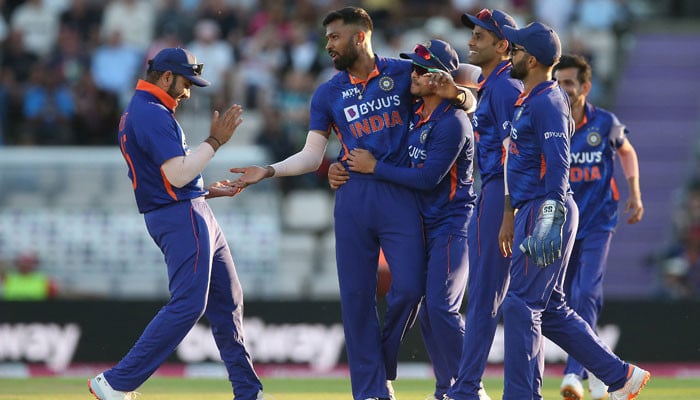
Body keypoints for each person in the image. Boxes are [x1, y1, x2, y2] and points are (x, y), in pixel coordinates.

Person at [229, 7, 474, 400]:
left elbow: (462, 100)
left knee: (410, 289)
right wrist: (270, 171)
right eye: (327, 38)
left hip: (398, 193)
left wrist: (460, 95)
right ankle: (371, 391)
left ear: (360, 37)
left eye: (335, 37)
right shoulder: (327, 92)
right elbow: (312, 155)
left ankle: (385, 363)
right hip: (352, 195)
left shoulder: (403, 73)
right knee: (357, 300)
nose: (328, 45)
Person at [87, 47, 267, 400]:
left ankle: (248, 392)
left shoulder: (144, 109)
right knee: (188, 304)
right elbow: (178, 174)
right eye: (186, 83)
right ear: (166, 76)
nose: (187, 93)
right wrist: (215, 141)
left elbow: (166, 178)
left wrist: (204, 191)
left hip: (187, 208)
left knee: (228, 301)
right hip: (180, 215)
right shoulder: (151, 113)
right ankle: (116, 383)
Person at [498, 22, 649, 399]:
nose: (510, 56)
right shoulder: (533, 98)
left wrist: (549, 216)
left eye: (516, 51)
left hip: (545, 207)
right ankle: (620, 375)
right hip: (536, 206)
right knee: (549, 308)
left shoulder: (547, 101)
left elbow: (559, 163)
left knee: (519, 304)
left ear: (532, 59)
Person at [335, 39, 476, 400]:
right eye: (413, 68)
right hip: (420, 222)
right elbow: (377, 137)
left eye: (422, 70)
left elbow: (428, 179)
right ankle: (445, 388)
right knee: (423, 306)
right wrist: (340, 164)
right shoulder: (414, 112)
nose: (412, 75)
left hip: (451, 224)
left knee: (440, 306)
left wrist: (374, 168)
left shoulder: (452, 123)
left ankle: (469, 386)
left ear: (440, 79)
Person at [553, 54, 644, 400]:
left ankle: (574, 373)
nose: (563, 89)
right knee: (561, 300)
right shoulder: (550, 121)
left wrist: (635, 192)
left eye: (569, 83)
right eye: (557, 82)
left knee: (585, 293)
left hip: (598, 222)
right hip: (562, 226)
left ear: (585, 87)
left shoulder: (605, 122)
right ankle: (599, 369)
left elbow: (627, 151)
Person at [443, 9, 522, 400]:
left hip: (498, 192)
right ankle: (615, 372)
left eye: (479, 36)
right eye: (472, 35)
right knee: (505, 298)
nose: (470, 42)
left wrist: (507, 210)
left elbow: (512, 154)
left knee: (485, 294)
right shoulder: (496, 83)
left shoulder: (505, 87)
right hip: (495, 192)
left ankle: (468, 386)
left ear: (502, 45)